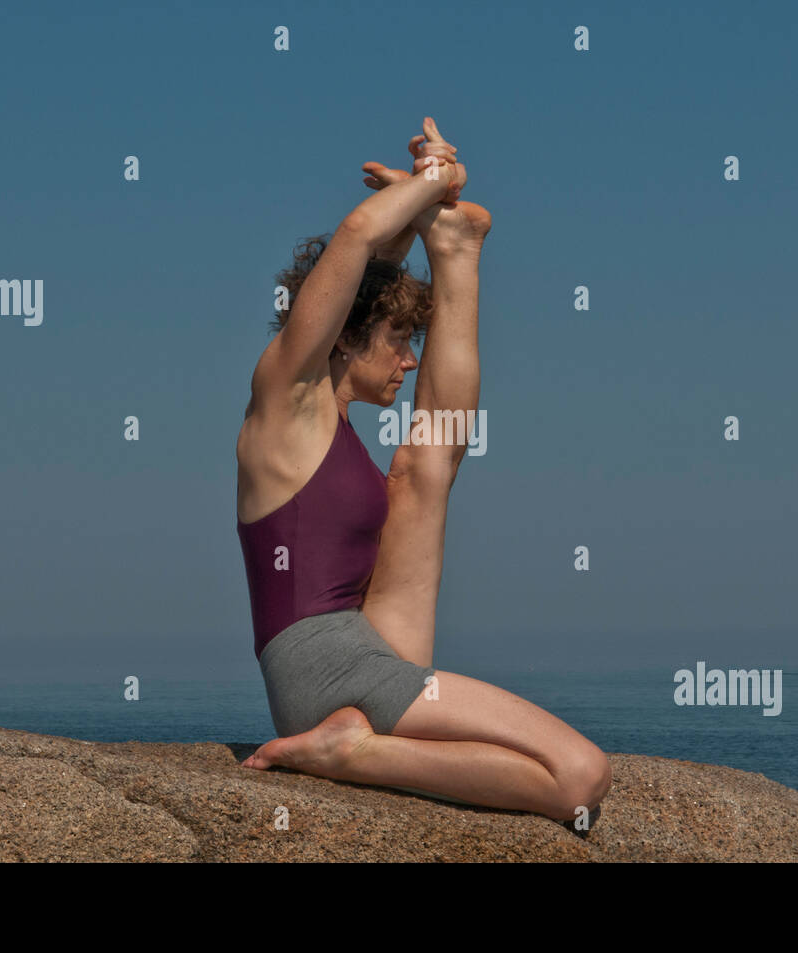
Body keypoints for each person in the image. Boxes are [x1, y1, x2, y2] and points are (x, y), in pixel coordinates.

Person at [236, 117, 611, 824]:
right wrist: (435, 180)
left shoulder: (338, 423)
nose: (409, 361)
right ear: (345, 337)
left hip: (366, 640)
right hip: (322, 671)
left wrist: (427, 209)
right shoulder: (285, 394)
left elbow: (370, 268)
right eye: (398, 341)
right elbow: (354, 239)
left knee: (427, 463)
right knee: (581, 776)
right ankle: (351, 750)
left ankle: (458, 250)